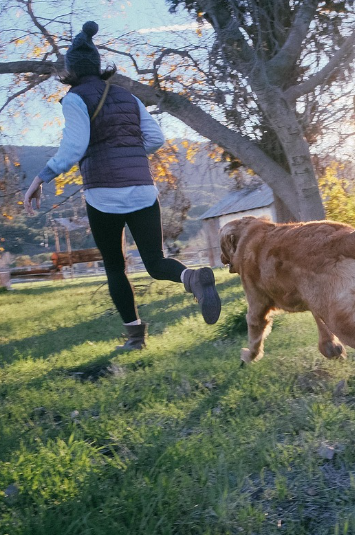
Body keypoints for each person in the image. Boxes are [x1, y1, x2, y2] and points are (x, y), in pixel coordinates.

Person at [23, 21, 221, 350]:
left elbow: (74, 148)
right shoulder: (126, 95)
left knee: (115, 267)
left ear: (70, 70)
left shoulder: (74, 99)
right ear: (98, 66)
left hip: (104, 195)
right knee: (156, 262)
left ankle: (135, 338)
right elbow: (156, 139)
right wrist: (127, 152)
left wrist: (40, 178)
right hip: (143, 189)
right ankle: (192, 278)